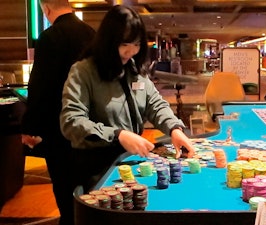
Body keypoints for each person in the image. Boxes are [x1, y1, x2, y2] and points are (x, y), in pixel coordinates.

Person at [59, 5, 196, 193]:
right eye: (125, 44)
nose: (131, 52)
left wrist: (174, 128)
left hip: (130, 161)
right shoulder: (83, 71)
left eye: (137, 44)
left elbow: (154, 104)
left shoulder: (134, 69)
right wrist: (118, 135)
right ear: (108, 41)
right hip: (97, 166)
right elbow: (71, 122)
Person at [20, 0, 95, 224]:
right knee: (89, 188)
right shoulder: (91, 34)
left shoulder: (50, 37)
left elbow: (40, 86)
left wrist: (30, 128)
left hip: (58, 129)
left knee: (64, 189)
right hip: (90, 125)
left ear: (46, 9)